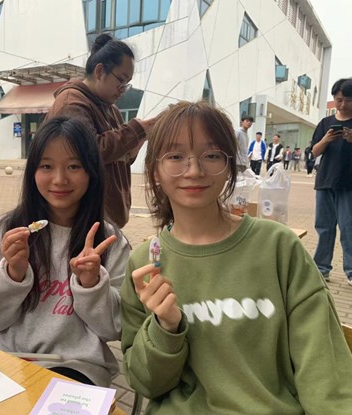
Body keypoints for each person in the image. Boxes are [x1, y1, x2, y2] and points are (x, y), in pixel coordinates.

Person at [120, 101, 352, 414]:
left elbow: (326, 373)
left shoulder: (278, 247)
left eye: (212, 155)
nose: (194, 170)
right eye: (175, 157)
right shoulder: (144, 265)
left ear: (230, 166)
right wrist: (165, 327)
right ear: (154, 171)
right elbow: (146, 384)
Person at [0, 117, 130, 387]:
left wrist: (91, 285)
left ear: (92, 172)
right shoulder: (4, 232)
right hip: (2, 355)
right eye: (46, 166)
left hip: (76, 365)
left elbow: (114, 329)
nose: (59, 179)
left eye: (74, 166)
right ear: (32, 172)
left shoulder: (109, 241)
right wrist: (13, 274)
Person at [45, 33, 156, 228]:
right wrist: (136, 130)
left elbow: (116, 157)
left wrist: (137, 143)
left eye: (127, 83)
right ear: (99, 71)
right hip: (83, 222)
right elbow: (88, 152)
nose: (123, 89)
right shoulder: (71, 103)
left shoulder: (111, 109)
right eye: (121, 80)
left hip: (107, 220)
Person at [310, 78, 352, 285]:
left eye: (349, 100)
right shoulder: (325, 123)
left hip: (349, 183)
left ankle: (351, 271)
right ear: (334, 99)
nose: (343, 104)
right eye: (339, 100)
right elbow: (314, 152)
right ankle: (321, 268)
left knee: (348, 228)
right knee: (324, 227)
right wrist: (326, 139)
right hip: (325, 181)